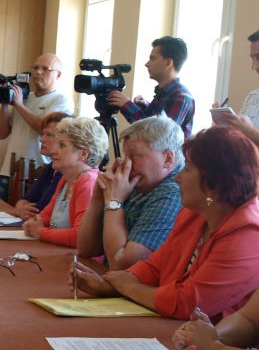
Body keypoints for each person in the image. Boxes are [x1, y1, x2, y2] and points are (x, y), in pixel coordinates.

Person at [72, 126, 259, 320]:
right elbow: (155, 267)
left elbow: (188, 303)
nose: (178, 178)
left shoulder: (249, 234)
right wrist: (109, 285)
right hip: (174, 328)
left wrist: (126, 286)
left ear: (215, 181)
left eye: (188, 168)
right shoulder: (194, 214)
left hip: (208, 337)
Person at [77, 116, 184, 270]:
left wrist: (114, 201)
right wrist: (98, 198)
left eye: (134, 156)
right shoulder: (139, 182)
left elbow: (122, 266)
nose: (126, 165)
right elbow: (86, 249)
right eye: (126, 157)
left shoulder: (173, 193)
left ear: (167, 159)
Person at [0, 53, 74, 201]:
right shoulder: (23, 97)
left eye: (45, 69)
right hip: (8, 171)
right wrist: (4, 104)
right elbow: (1, 133)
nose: (38, 72)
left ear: (58, 75)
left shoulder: (61, 100)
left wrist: (19, 105)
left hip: (40, 174)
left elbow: (45, 128)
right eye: (35, 68)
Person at [22, 117, 108, 247]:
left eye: (62, 145)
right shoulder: (66, 179)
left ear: (83, 154)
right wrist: (33, 223)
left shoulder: (88, 183)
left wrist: (40, 232)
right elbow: (46, 215)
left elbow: (80, 237)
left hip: (78, 258)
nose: (54, 151)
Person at [216, 24, 259, 212]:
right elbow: (242, 144)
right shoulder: (254, 96)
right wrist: (225, 127)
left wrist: (248, 130)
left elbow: (249, 132)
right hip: (245, 195)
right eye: (252, 58)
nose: (254, 66)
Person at [107, 36, 195, 138]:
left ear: (168, 63)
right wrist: (145, 106)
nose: (147, 64)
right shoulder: (164, 93)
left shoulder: (180, 97)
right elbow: (155, 121)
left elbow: (159, 136)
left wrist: (127, 105)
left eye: (152, 59)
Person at [2, 111, 70, 220]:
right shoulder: (50, 168)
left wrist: (22, 209)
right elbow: (26, 199)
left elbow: (40, 209)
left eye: (49, 135)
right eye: (42, 134)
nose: (42, 139)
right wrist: (20, 208)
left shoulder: (65, 171)